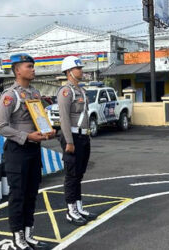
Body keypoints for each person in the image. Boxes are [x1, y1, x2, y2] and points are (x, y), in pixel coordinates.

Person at [0, 53, 55, 250]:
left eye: (33, 66)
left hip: (33, 150)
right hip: (17, 151)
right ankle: (18, 236)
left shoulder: (35, 94)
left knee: (31, 194)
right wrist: (27, 136)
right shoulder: (9, 95)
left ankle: (29, 233)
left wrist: (49, 131)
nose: (33, 69)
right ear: (17, 70)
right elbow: (0, 127)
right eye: (29, 66)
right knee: (18, 195)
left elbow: (40, 120)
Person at [57, 56, 97, 226]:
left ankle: (78, 207)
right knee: (71, 175)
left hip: (83, 137)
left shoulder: (80, 90)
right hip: (72, 137)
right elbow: (64, 118)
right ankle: (71, 210)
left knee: (79, 174)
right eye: (78, 68)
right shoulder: (66, 91)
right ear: (69, 72)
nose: (81, 70)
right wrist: (69, 141)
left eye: (81, 67)